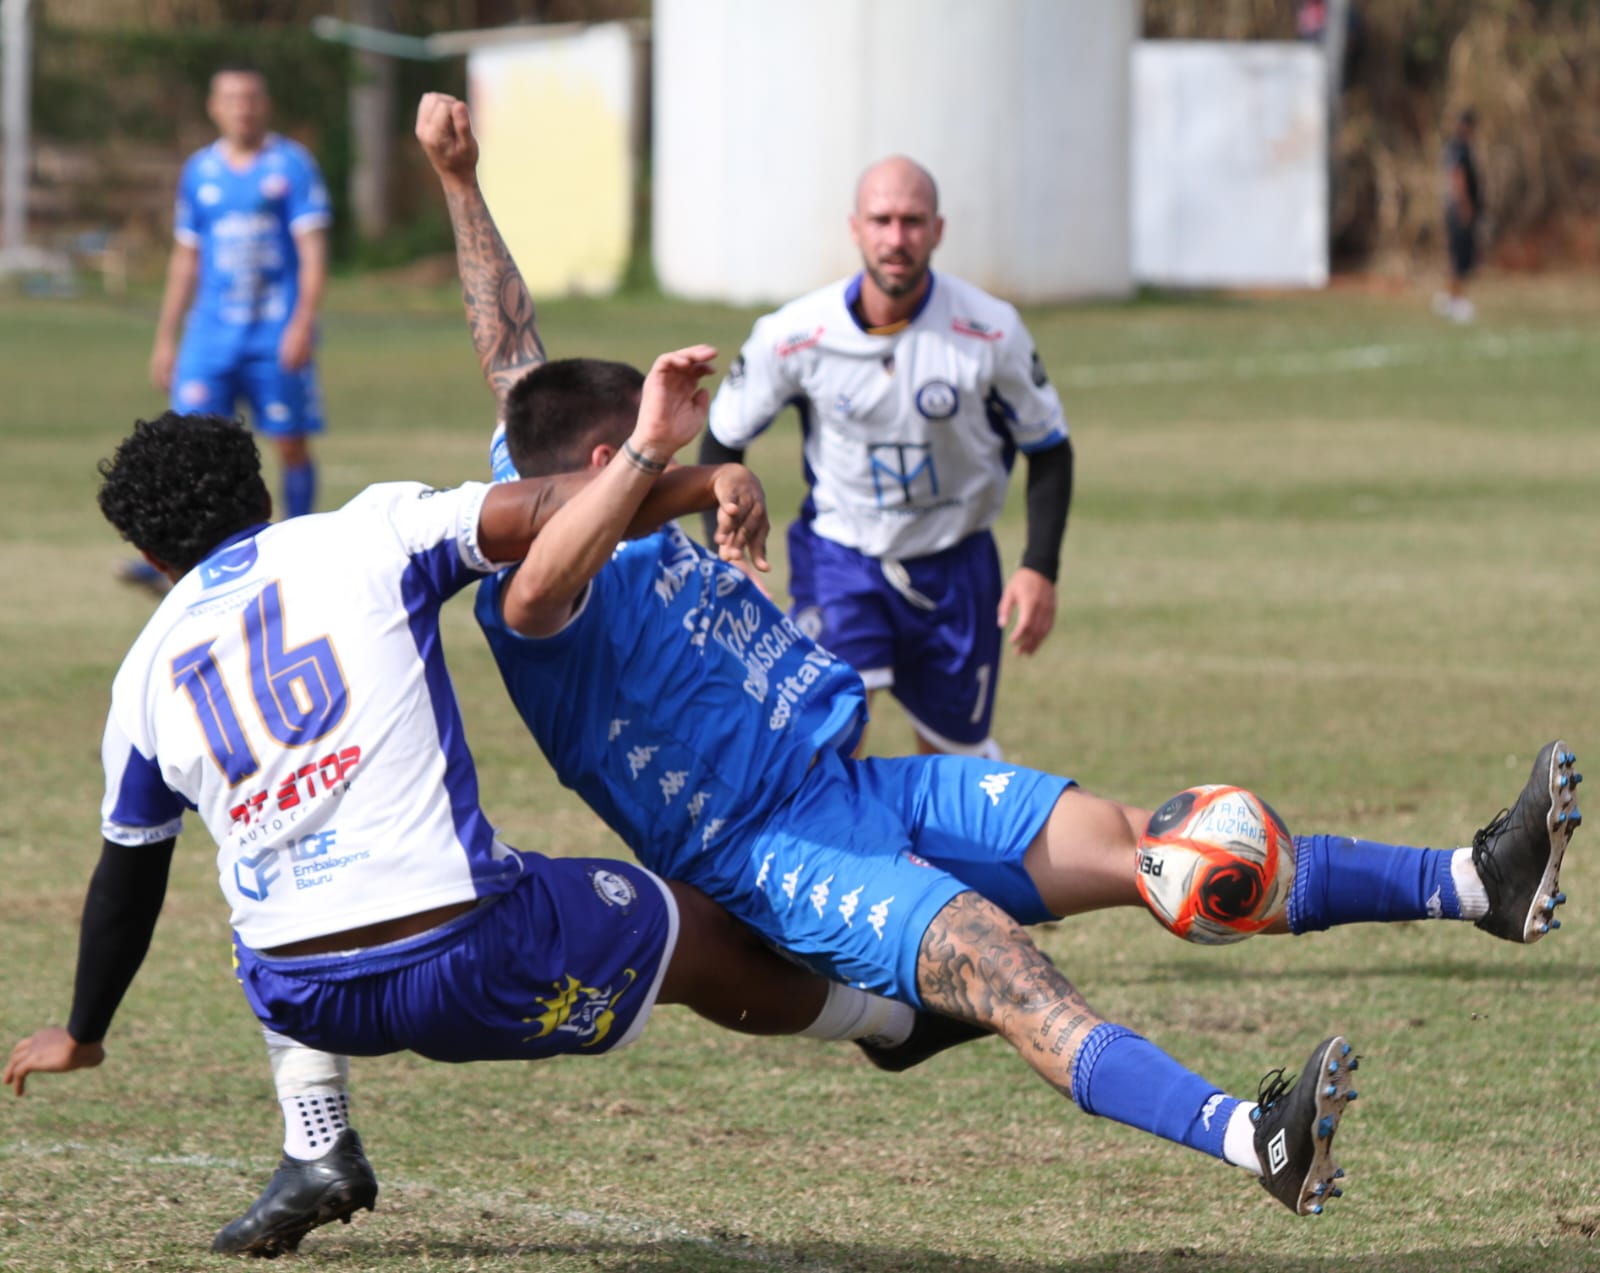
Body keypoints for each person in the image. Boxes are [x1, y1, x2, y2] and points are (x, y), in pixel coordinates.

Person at [199, 95, 1593, 1256]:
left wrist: (460, 179)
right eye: (642, 435)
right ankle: (1253, 1138)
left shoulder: (562, 455)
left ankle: (1473, 884)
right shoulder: (537, 592)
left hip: (864, 786)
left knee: (1159, 846)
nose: (677, 445)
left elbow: (512, 349)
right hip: (780, 857)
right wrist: (670, 457)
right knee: (1011, 973)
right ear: (602, 459)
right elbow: (544, 573)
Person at [6, 396, 950, 1251]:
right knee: (698, 927)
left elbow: (127, 877)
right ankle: (891, 1022)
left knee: (269, 882)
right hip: (472, 954)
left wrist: (83, 1031)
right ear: (262, 495)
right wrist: (702, 479)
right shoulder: (366, 530)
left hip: (306, 994)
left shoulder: (140, 677)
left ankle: (316, 1142)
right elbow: (552, 508)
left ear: (155, 559)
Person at [699, 154, 1072, 760]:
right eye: (881, 220)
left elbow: (1049, 448)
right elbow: (721, 441)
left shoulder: (990, 330)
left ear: (938, 230)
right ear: (855, 228)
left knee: (954, 763)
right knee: (825, 746)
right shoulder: (793, 335)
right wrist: (729, 557)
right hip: (841, 558)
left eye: (912, 221)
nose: (896, 238)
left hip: (956, 566)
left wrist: (1039, 567)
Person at [124, 67, 331, 594]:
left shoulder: (291, 165)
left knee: (289, 443)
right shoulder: (200, 171)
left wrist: (303, 320)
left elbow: (312, 250)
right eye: (232, 98)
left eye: (252, 97)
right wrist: (166, 337)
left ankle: (300, 552)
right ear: (214, 107)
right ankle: (180, 557)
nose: (243, 107)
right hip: (210, 336)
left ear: (266, 104)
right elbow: (186, 257)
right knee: (189, 445)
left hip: (273, 333)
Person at [1433, 108, 1482, 324]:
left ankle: (1450, 298)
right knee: (1461, 257)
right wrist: (1465, 205)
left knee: (1459, 257)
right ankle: (1457, 301)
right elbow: (1458, 176)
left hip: (1453, 209)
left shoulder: (1453, 147)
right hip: (1459, 210)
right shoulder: (1459, 148)